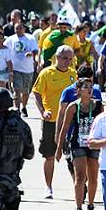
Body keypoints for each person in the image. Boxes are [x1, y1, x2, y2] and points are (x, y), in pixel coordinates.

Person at [31, 45, 77, 199]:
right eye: (65, 58)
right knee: (49, 155)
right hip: (51, 120)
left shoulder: (73, 74)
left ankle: (78, 185)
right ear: (57, 58)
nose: (68, 62)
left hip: (69, 121)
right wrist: (43, 111)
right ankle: (48, 187)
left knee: (73, 155)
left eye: (70, 59)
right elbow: (36, 93)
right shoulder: (46, 73)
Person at [55, 77, 103, 210]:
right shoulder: (73, 106)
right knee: (80, 176)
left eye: (91, 86)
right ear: (78, 91)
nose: (89, 89)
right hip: (77, 143)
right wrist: (59, 147)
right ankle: (79, 207)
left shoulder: (99, 105)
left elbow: (103, 125)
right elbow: (65, 127)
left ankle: (91, 205)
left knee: (93, 177)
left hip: (93, 143)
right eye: (86, 87)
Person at [6, 22, 38, 115]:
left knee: (25, 91)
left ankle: (24, 107)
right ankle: (17, 109)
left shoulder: (30, 38)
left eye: (20, 28)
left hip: (28, 69)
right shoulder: (10, 39)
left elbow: (35, 50)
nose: (18, 30)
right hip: (15, 68)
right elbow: (3, 47)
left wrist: (31, 54)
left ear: (24, 29)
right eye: (16, 28)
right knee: (17, 89)